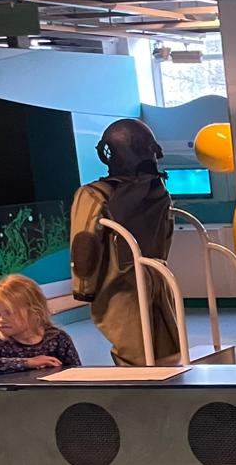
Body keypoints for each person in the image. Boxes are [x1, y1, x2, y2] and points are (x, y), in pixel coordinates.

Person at [70, 118, 181, 365]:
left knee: (133, 356)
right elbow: (166, 234)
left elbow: (84, 244)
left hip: (119, 285)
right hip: (157, 275)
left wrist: (84, 288)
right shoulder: (159, 191)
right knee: (166, 352)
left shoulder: (94, 195)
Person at [0, 274, 82, 377]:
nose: (1, 320)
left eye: (9, 313)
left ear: (34, 311)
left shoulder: (58, 339)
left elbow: (78, 374)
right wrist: (28, 363)